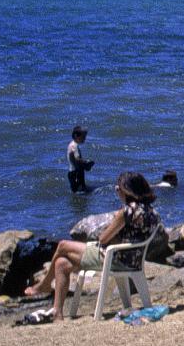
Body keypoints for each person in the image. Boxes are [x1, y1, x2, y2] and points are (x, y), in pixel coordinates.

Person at [24, 170, 161, 318]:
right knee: (61, 263)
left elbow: (103, 239)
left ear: (127, 190)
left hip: (115, 259)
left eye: (118, 188)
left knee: (63, 245)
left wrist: (113, 223)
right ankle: (57, 312)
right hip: (132, 258)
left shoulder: (126, 211)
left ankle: (44, 284)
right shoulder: (150, 210)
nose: (116, 191)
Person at [66, 126, 94, 194]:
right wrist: (87, 162)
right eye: (83, 137)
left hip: (73, 172)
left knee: (76, 189)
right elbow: (77, 158)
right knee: (80, 190)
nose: (85, 139)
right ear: (76, 136)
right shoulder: (74, 146)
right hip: (76, 172)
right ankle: (80, 202)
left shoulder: (71, 144)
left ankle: (77, 200)